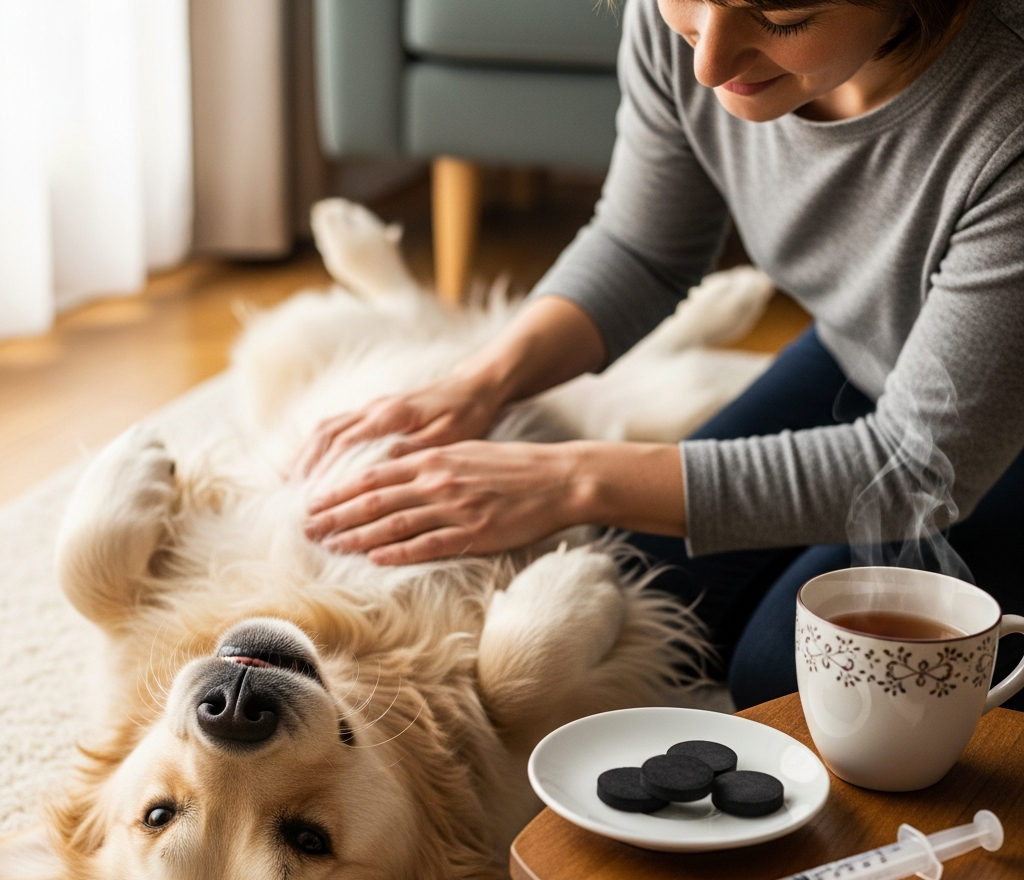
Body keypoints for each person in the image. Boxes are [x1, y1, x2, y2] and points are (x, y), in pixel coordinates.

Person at [294, 0, 1024, 710]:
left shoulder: (1007, 114)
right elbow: (642, 247)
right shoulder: (678, 24)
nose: (709, 62)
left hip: (1000, 441)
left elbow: (918, 465)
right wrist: (479, 382)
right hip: (864, 354)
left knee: (787, 673)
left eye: (781, 17)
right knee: (637, 587)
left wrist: (571, 479)